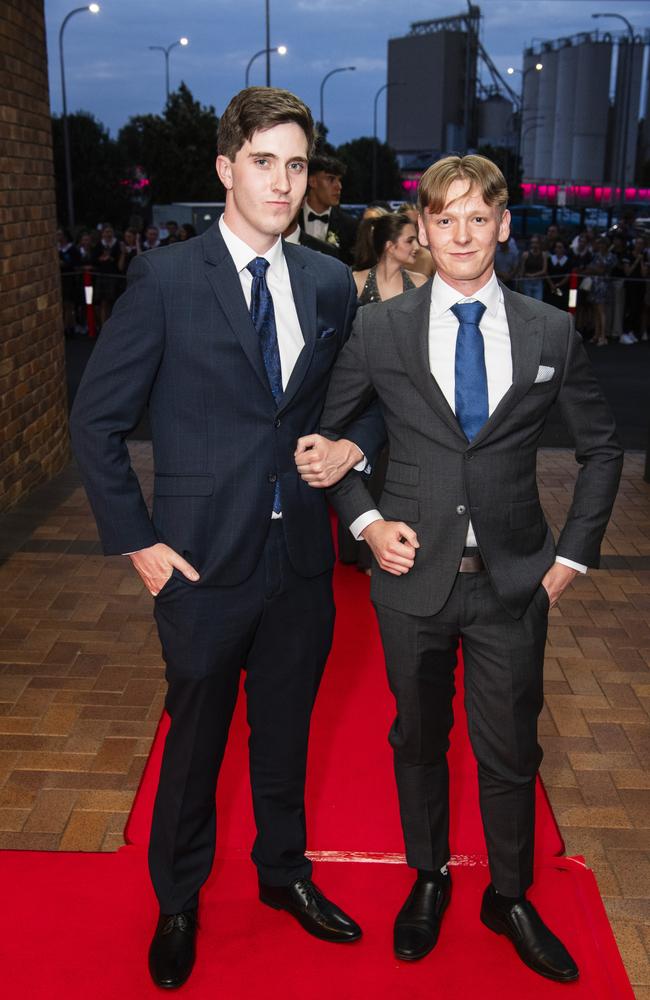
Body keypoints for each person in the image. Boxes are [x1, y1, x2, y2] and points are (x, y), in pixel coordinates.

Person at [70, 86, 385, 991]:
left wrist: (348, 444)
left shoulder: (329, 282)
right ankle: (178, 901)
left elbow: (346, 402)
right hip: (200, 563)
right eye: (263, 162)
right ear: (224, 168)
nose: (283, 183)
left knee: (286, 737)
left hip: (302, 562)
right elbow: (98, 422)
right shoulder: (167, 279)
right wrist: (139, 542)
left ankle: (284, 876)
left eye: (296, 165)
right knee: (196, 744)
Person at [305, 154, 622, 983]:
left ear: (504, 224)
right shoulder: (380, 329)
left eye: (477, 218)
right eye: (444, 219)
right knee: (417, 738)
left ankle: (510, 895)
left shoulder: (550, 330)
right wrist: (368, 525)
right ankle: (429, 877)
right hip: (410, 579)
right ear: (423, 228)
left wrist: (574, 554)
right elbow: (331, 442)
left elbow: (602, 448)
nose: (461, 235)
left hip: (515, 582)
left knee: (511, 749)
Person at [339, 213, 427, 571]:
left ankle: (388, 546)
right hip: (361, 397)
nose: (417, 247)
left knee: (393, 471)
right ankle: (355, 545)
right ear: (391, 246)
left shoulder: (420, 282)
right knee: (357, 470)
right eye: (409, 240)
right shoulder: (356, 282)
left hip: (404, 394)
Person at [299, 154, 358, 264]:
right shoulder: (290, 220)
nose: (339, 186)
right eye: (331, 179)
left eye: (339, 180)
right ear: (312, 181)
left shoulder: (350, 226)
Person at [544, 239, 572, 310]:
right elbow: (546, 272)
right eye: (556, 247)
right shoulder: (549, 259)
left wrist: (558, 285)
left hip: (563, 288)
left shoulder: (568, 261)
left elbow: (568, 275)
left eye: (560, 247)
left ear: (564, 249)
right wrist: (552, 285)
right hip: (550, 288)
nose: (558, 249)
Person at [518, 235, 547, 300]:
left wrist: (533, 275)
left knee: (538, 302)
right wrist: (520, 281)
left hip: (538, 281)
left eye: (536, 242)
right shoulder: (526, 254)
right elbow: (522, 269)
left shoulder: (543, 254)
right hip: (527, 281)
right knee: (528, 302)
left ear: (539, 243)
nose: (534, 244)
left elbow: (544, 270)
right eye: (532, 242)